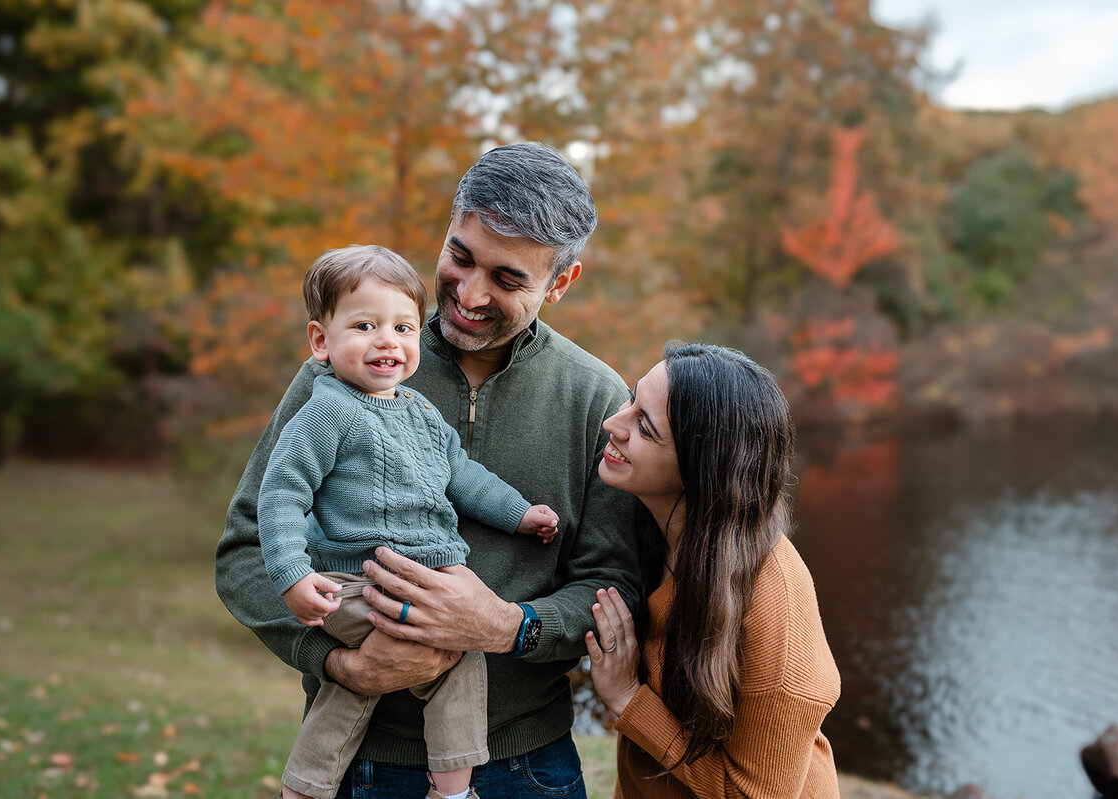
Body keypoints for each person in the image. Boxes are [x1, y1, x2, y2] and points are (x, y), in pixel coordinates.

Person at [215, 142, 641, 799]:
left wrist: (508, 624)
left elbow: (613, 585)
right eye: (460, 257)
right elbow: (245, 551)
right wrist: (339, 660)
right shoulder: (339, 376)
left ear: (560, 282)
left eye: (506, 278)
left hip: (529, 768)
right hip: (361, 765)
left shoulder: (596, 398)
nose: (469, 294)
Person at [258, 245, 560, 799]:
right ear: (321, 342)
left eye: (404, 327)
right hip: (353, 585)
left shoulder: (419, 412)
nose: (387, 341)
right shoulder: (327, 411)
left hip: (428, 587)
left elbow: (465, 478)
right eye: (366, 326)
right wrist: (293, 575)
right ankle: (338, 786)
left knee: (437, 666)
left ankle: (432, 789)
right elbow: (280, 495)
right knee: (389, 667)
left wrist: (519, 514)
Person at [584, 343, 841, 799]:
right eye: (630, 398)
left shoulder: (773, 604)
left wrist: (627, 697)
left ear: (701, 468)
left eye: (644, 426)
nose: (613, 424)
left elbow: (748, 794)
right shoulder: (642, 521)